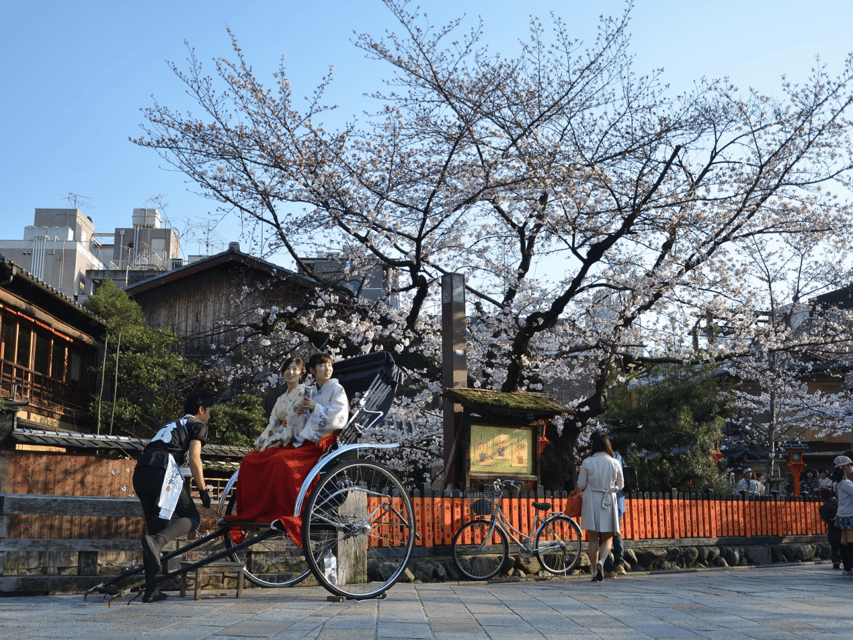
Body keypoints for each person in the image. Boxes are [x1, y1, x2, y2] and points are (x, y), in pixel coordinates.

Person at [226, 352, 349, 544]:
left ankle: (286, 511)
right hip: (305, 439)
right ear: (312, 370)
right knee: (253, 459)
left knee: (282, 462)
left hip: (323, 441)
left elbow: (338, 417)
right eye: (323, 365)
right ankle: (257, 511)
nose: (327, 369)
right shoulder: (313, 391)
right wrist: (302, 414)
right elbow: (294, 423)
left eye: (329, 365)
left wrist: (314, 408)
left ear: (302, 372)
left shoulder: (335, 388)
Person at [132, 389, 213, 603]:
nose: (210, 416)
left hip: (141, 470)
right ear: (200, 409)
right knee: (192, 518)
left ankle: (152, 590)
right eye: (209, 411)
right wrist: (203, 490)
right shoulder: (198, 425)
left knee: (154, 531)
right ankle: (158, 542)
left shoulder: (171, 424)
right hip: (162, 469)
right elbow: (195, 458)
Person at [577, 431, 624, 582]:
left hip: (591, 500)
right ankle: (601, 562)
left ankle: (593, 570)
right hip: (608, 500)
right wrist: (612, 489)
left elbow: (581, 485)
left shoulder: (587, 462)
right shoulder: (615, 462)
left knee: (592, 538)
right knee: (607, 537)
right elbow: (621, 485)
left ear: (593, 444)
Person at [253, 357, 308, 451]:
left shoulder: (303, 394)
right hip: (277, 440)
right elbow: (273, 422)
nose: (290, 372)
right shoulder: (281, 399)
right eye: (287, 369)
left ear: (301, 373)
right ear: (283, 373)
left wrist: (277, 443)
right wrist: (262, 442)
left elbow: (291, 422)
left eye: (295, 369)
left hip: (292, 440)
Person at [603, 449, 628, 578]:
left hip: (605, 501)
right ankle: (619, 564)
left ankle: (609, 567)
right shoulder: (617, 456)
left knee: (605, 534)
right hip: (618, 499)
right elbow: (621, 481)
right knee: (617, 532)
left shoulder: (602, 458)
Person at [833, 455, 853, 578]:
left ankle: (846, 568)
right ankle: (851, 566)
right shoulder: (846, 483)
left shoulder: (838, 483)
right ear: (845, 467)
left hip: (841, 515)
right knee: (851, 541)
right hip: (850, 514)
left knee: (844, 541)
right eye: (851, 465)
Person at [819, 487, 842, 569]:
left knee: (834, 544)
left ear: (822, 497)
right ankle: (845, 560)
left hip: (831, 526)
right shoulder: (839, 502)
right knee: (843, 543)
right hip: (842, 525)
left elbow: (824, 518)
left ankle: (836, 560)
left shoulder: (823, 507)